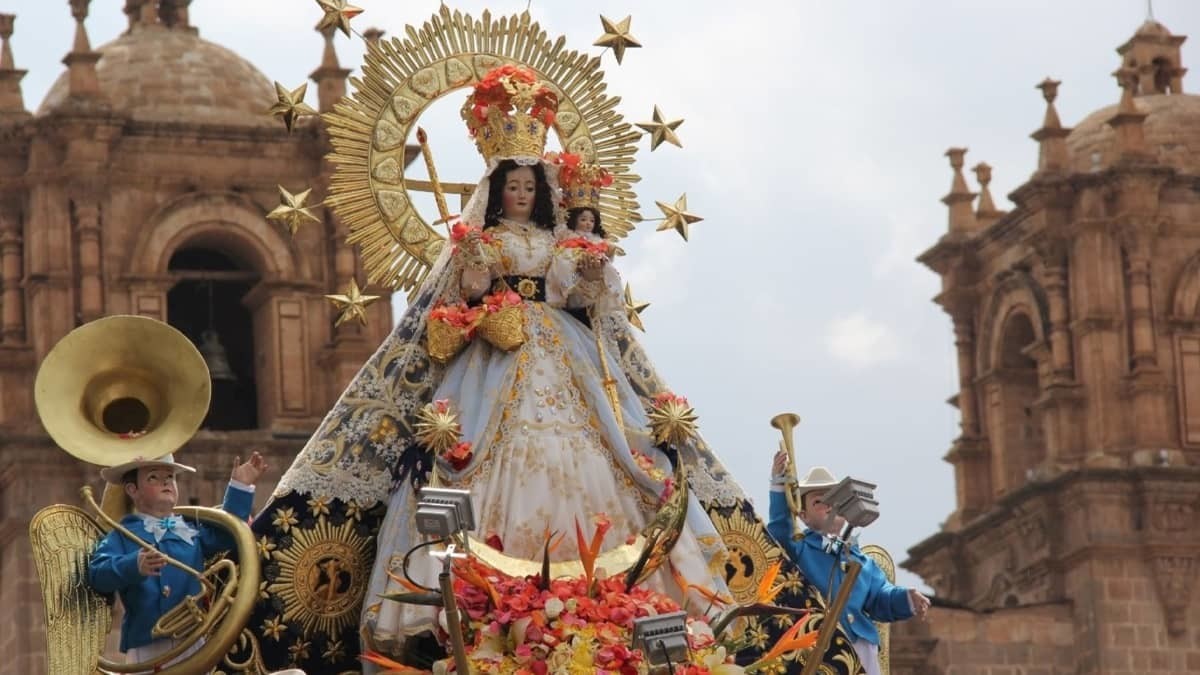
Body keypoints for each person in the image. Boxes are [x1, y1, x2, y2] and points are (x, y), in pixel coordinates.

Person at [88, 451, 268, 672]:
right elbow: (97, 574)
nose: (166, 482)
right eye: (153, 477)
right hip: (147, 648)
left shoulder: (190, 529)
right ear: (132, 490)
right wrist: (134, 565)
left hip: (194, 641)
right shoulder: (121, 535)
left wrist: (240, 486)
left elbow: (228, 534)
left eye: (170, 477)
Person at [766, 454, 931, 675]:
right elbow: (779, 531)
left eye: (834, 500)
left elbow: (880, 597)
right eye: (818, 501)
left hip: (861, 647)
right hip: (816, 645)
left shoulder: (862, 561)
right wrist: (779, 483)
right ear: (803, 515)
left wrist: (906, 597)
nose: (828, 506)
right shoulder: (800, 549)